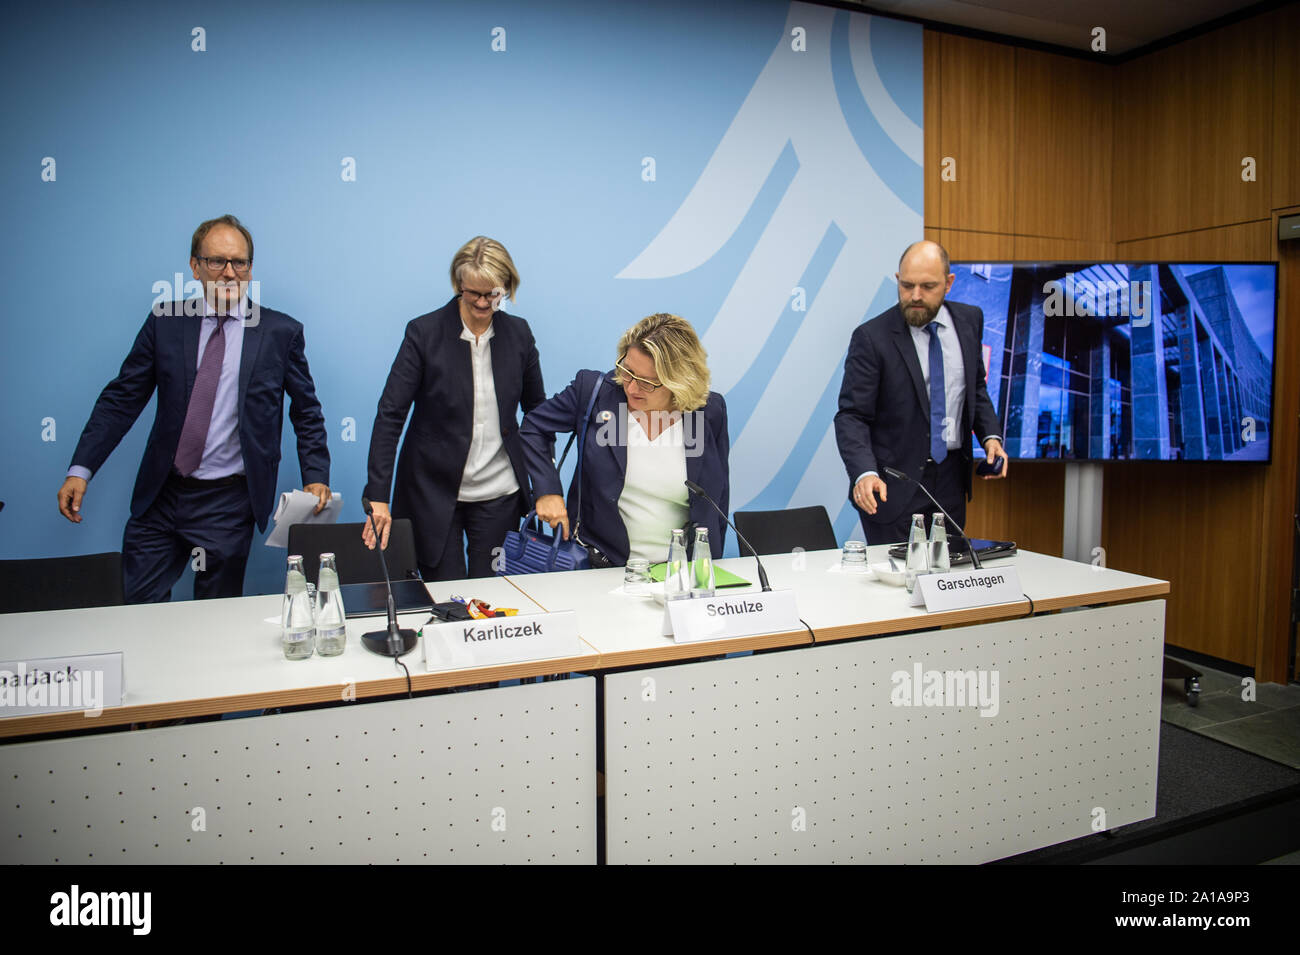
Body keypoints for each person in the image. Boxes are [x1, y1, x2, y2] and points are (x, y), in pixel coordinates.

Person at [57, 214, 332, 602]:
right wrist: (81, 469)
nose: (229, 273)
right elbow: (122, 399)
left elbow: (306, 411)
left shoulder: (280, 332)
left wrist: (316, 475)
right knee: (136, 609)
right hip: (161, 495)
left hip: (229, 503)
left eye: (239, 262)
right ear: (195, 266)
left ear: (250, 269)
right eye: (216, 261)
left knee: (213, 620)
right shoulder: (165, 323)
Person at [363, 237, 545, 580]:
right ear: (457, 285)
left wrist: (546, 485)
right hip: (433, 490)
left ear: (506, 286)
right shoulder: (423, 333)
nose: (482, 302)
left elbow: (537, 412)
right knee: (444, 597)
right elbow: (390, 415)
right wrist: (377, 496)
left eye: (492, 294)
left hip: (499, 492)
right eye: (472, 292)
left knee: (492, 598)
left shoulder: (519, 334)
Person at [520, 313, 729, 567]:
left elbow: (717, 499)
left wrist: (707, 566)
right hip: (602, 566)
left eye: (647, 383)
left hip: (678, 573)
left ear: (679, 381)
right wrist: (547, 490)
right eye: (627, 371)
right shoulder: (596, 394)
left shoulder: (707, 411)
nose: (631, 388)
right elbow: (534, 427)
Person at [834, 240, 1008, 546]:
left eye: (927, 286)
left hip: (952, 481)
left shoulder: (970, 321)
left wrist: (991, 437)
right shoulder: (871, 338)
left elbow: (975, 387)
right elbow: (852, 416)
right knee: (898, 587)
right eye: (906, 285)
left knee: (947, 576)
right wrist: (863, 473)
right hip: (893, 486)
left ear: (949, 283)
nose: (915, 296)